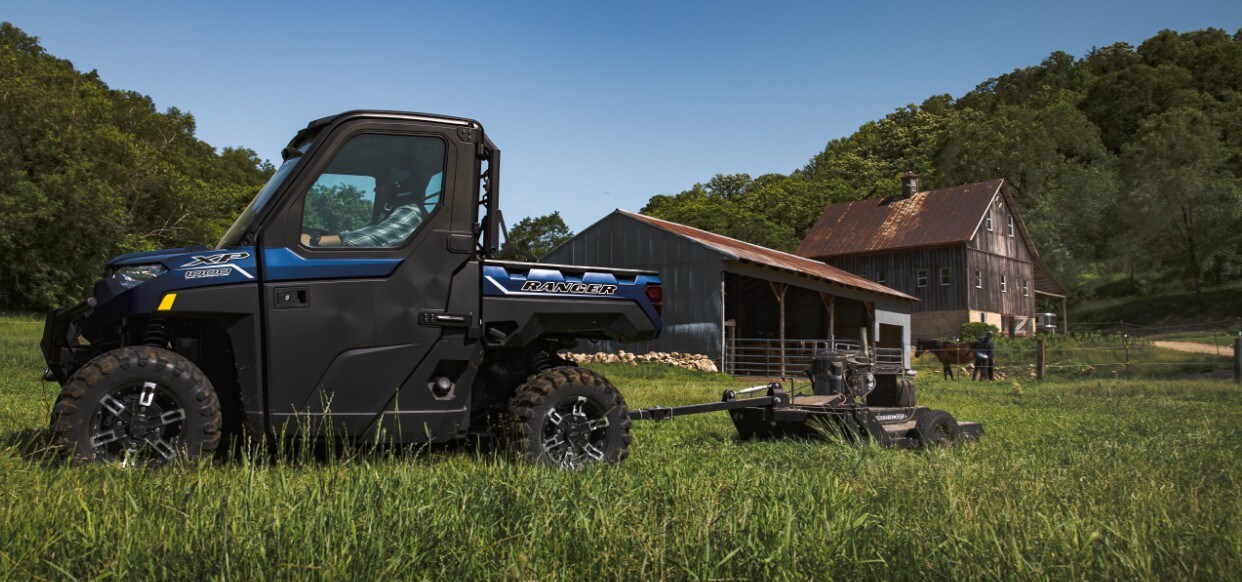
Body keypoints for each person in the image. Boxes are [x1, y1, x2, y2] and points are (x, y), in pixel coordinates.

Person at [301, 172, 442, 248]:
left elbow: (368, 239)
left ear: (397, 186)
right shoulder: (395, 212)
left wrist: (314, 241)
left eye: (381, 183)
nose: (376, 189)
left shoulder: (411, 213)